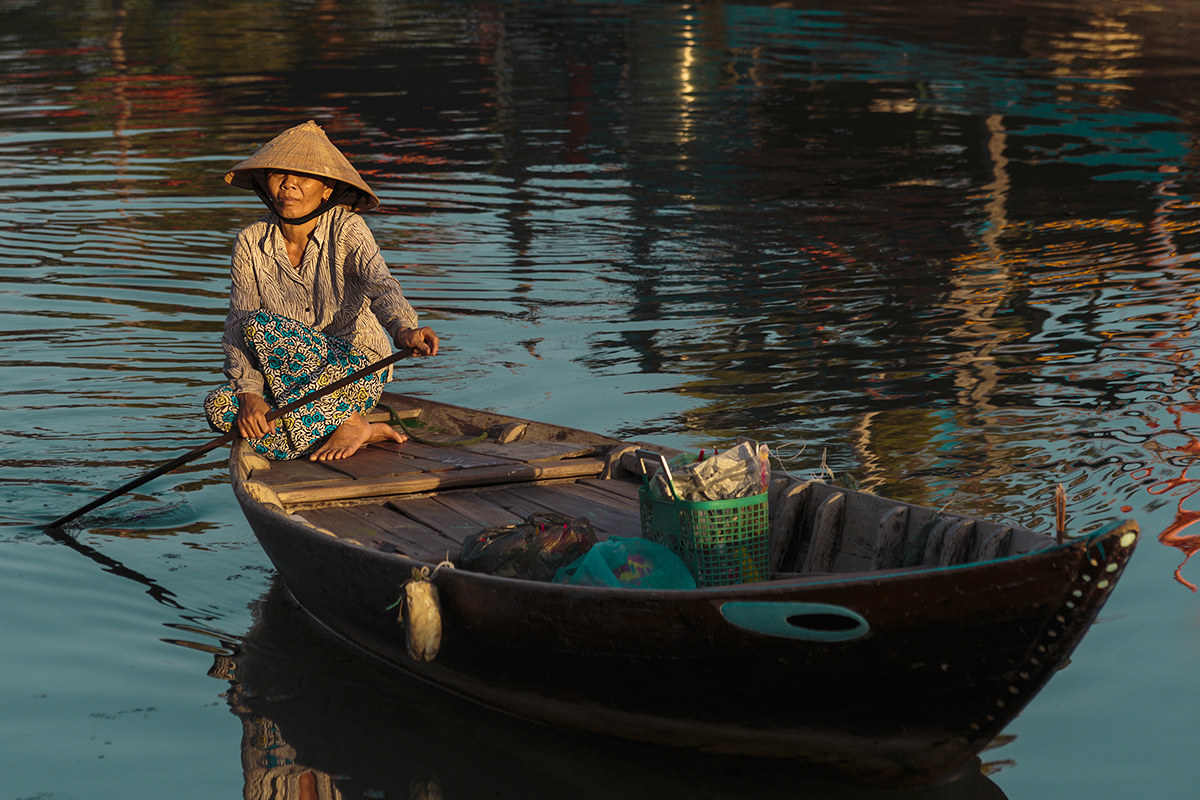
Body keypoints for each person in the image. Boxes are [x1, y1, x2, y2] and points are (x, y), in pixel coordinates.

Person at [205, 120, 439, 461]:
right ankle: (360, 429)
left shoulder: (348, 229)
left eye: (304, 176)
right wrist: (250, 394)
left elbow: (382, 286)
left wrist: (404, 330)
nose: (289, 185)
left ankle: (337, 423)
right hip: (288, 380)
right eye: (279, 174)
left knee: (260, 326)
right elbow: (234, 325)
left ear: (327, 188)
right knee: (221, 406)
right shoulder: (251, 241)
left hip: (352, 371)